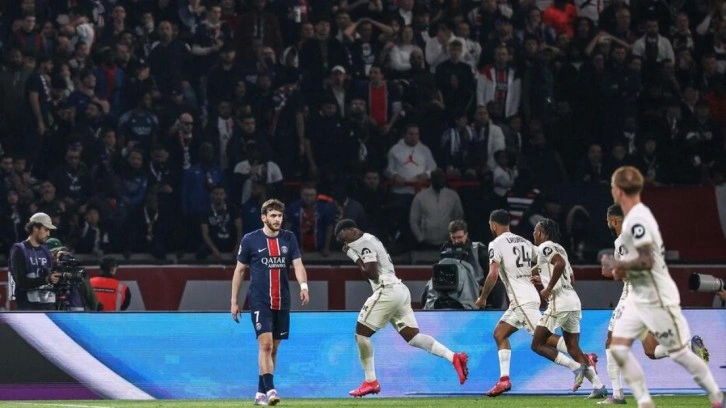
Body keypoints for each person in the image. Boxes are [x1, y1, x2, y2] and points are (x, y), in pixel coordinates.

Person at [600, 166, 724, 408]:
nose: (607, 224)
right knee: (650, 351)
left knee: (610, 342)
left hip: (634, 295)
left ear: (613, 220)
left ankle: (617, 395)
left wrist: (614, 269)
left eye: (608, 220)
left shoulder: (622, 239)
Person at [334, 218, 469, 398]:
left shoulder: (364, 243)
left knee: (361, 335)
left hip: (387, 290)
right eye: (343, 242)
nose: (346, 244)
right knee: (413, 337)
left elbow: (371, 273)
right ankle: (454, 357)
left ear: (353, 230)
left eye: (345, 238)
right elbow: (372, 276)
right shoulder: (370, 239)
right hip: (399, 290)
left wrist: (355, 258)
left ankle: (370, 381)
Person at [476, 210, 599, 397]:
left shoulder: (496, 244)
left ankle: (581, 361)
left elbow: (493, 274)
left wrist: (483, 297)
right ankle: (504, 379)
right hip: (524, 299)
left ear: (493, 225)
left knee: (542, 339)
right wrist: (536, 275)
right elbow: (543, 261)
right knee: (500, 334)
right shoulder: (524, 242)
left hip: (521, 300)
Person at [231, 199, 310, 407]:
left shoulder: (289, 238)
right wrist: (234, 301)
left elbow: (298, 265)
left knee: (273, 349)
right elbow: (239, 270)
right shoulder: (250, 240)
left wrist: (304, 286)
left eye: (280, 216)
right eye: (273, 216)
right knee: (265, 345)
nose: (277, 219)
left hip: (282, 300)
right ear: (263, 217)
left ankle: (260, 394)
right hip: (260, 301)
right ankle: (271, 390)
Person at [529, 219, 607, 399]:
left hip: (559, 303)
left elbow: (560, 264)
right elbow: (571, 279)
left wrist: (548, 288)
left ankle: (575, 367)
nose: (533, 233)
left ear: (540, 232)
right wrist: (545, 279)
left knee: (537, 344)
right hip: (573, 301)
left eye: (535, 230)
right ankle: (598, 386)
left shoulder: (545, 247)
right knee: (572, 346)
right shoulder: (561, 248)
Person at [8, 212, 60, 310]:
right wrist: (46, 279)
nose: (48, 234)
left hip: (48, 307)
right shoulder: (19, 249)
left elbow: (51, 274)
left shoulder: (46, 250)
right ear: (35, 228)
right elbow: (20, 282)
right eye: (46, 230)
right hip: (28, 308)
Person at [46, 238, 100, 311]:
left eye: (60, 252)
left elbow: (89, 294)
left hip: (75, 308)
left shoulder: (74, 270)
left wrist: (95, 309)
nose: (58, 256)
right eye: (54, 253)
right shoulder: (46, 270)